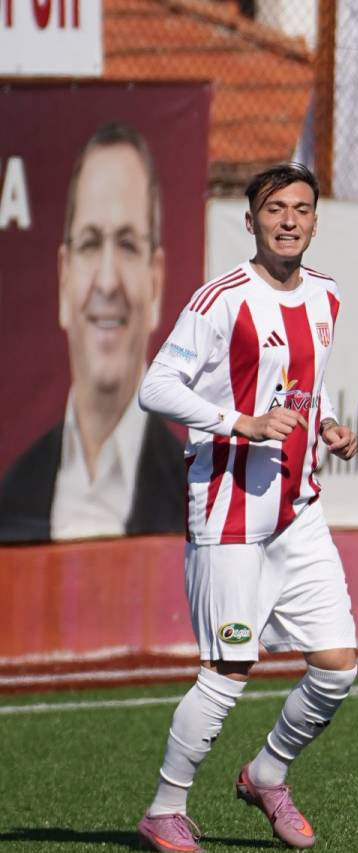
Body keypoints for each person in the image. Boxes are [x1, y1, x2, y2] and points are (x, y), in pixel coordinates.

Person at [134, 162, 358, 853]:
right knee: (232, 665)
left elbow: (301, 387)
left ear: (316, 220)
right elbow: (155, 388)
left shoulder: (327, 296)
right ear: (251, 221)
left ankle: (267, 772)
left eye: (300, 208)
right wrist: (240, 422)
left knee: (337, 666)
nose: (289, 220)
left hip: (298, 510)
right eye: (274, 210)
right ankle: (165, 807)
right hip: (229, 512)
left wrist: (327, 427)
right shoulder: (220, 300)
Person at [0, 120, 185, 542]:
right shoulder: (12, 501)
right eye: (89, 244)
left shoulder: (201, 500)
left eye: (126, 244)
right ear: (64, 281)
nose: (106, 281)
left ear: (155, 282)